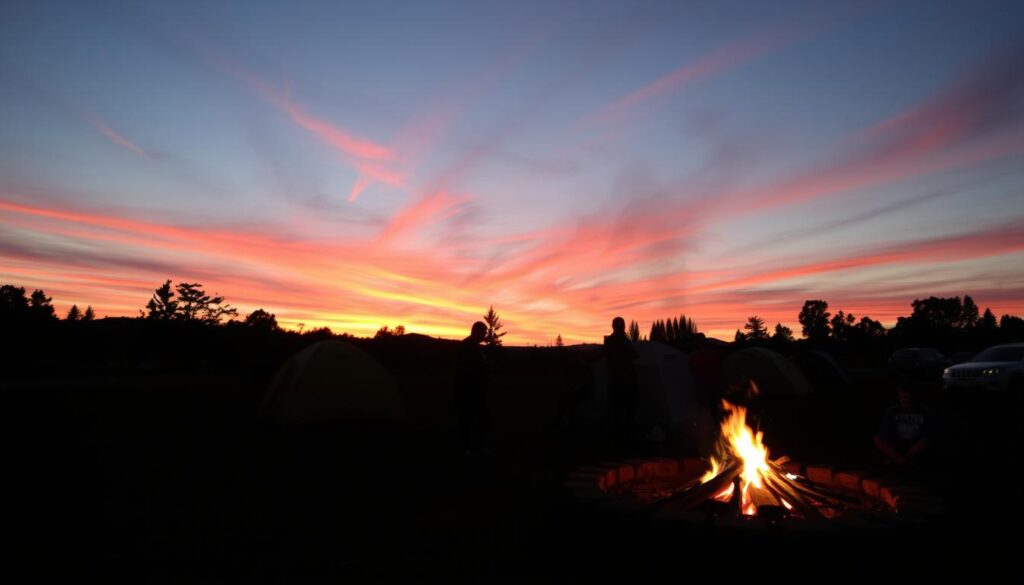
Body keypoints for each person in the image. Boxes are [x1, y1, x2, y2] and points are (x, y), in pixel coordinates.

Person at [454, 321, 491, 456]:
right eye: (484, 332)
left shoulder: (475, 347)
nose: (485, 335)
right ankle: (465, 449)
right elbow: (465, 369)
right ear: (477, 331)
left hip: (477, 389)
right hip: (467, 390)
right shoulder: (466, 347)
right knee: (466, 419)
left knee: (480, 419)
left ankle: (479, 446)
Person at [874, 386, 932, 468]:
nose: (904, 400)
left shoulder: (924, 412)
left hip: (914, 443)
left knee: (925, 441)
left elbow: (928, 432)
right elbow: (885, 429)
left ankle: (898, 461)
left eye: (907, 397)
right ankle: (903, 461)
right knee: (877, 438)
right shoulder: (893, 411)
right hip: (896, 442)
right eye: (901, 397)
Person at [604, 316, 638, 449]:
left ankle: (618, 439)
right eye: (622, 325)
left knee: (618, 412)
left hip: (616, 381)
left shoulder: (610, 341)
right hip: (627, 382)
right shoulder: (624, 341)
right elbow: (635, 355)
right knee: (627, 412)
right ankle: (626, 439)